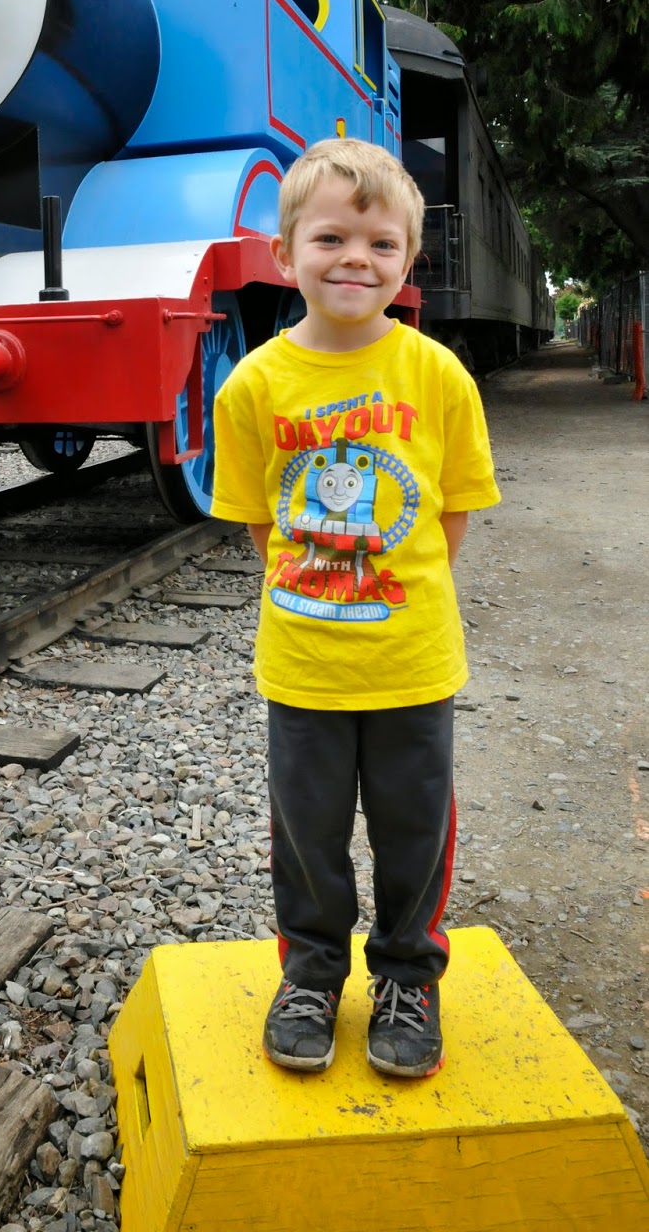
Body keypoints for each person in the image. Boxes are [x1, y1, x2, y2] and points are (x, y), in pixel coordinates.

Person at [211, 137, 500, 1079]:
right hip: (303, 663)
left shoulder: (439, 376)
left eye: (381, 245)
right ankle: (311, 971)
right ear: (282, 256)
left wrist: (389, 593)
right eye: (331, 237)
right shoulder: (253, 386)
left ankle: (409, 975)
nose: (355, 260)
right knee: (307, 833)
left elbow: (449, 515)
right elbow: (262, 524)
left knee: (416, 828)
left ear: (408, 264)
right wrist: (321, 592)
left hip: (413, 661)